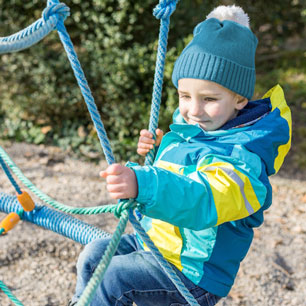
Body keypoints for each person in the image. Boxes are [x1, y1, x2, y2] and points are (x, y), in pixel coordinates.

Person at [69, 4, 292, 306]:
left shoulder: (245, 158)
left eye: (209, 99)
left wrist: (143, 183)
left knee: (115, 278)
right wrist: (160, 151)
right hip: (158, 246)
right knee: (95, 254)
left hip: (193, 272)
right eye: (185, 96)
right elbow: (181, 171)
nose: (193, 110)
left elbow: (201, 199)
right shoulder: (193, 131)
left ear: (239, 99)